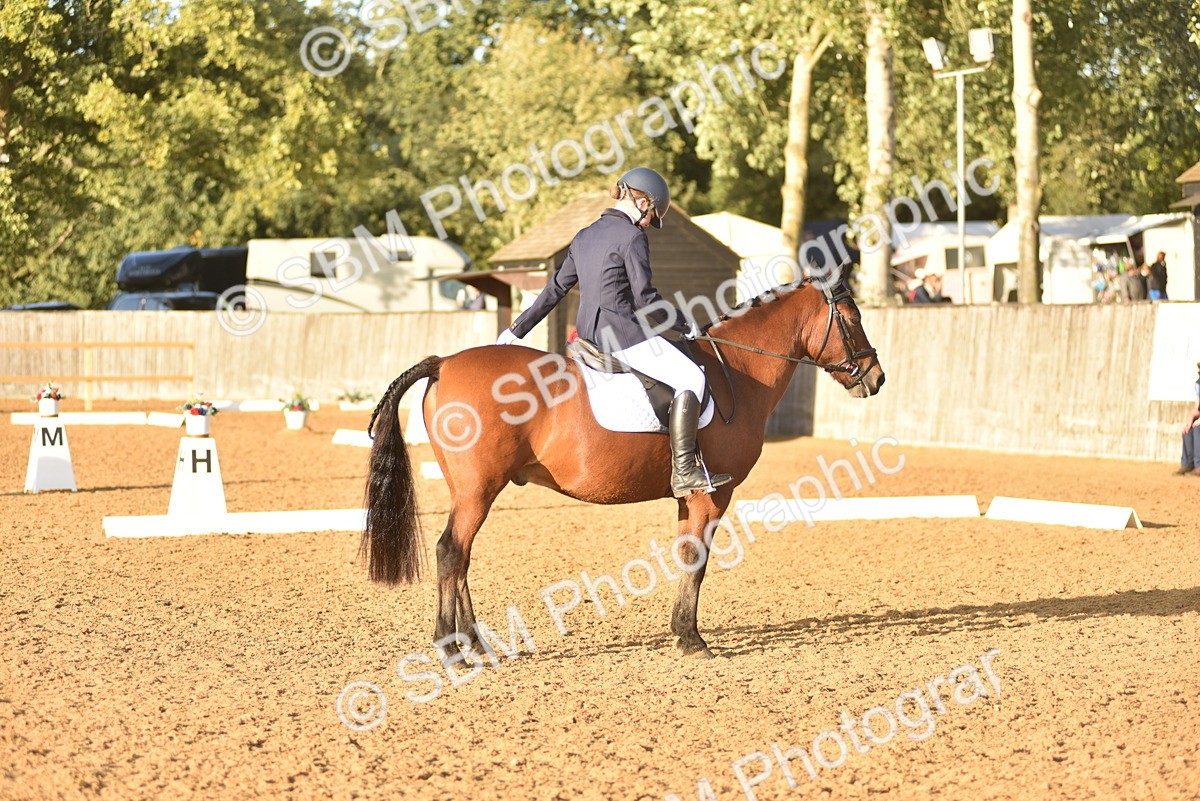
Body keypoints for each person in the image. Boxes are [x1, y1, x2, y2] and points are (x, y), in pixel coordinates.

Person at [494, 167, 731, 497]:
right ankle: (685, 471)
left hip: (586, 338)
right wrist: (685, 323)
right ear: (642, 200)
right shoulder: (632, 237)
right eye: (651, 216)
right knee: (692, 378)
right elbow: (646, 300)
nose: (649, 223)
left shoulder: (584, 236)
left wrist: (516, 332)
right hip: (622, 337)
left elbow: (554, 290)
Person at [1178, 363, 1200, 475]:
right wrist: (1190, 419)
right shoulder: (1198, 383)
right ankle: (1187, 464)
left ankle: (1199, 466)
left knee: (1197, 428)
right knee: (1188, 429)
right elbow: (1197, 408)